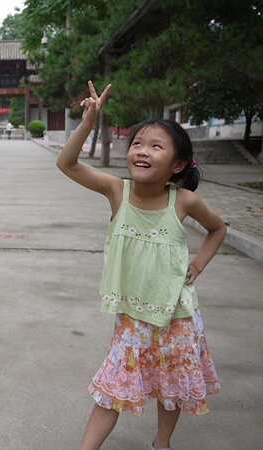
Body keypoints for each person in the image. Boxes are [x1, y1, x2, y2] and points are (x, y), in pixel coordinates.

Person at [56, 81, 226, 450]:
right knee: (112, 389)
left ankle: (162, 442)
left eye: (156, 146)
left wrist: (199, 262)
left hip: (177, 315)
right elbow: (66, 163)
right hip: (132, 316)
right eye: (137, 144)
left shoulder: (183, 201)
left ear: (178, 164)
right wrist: (89, 121)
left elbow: (217, 229)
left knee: (174, 384)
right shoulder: (117, 191)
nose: (142, 151)